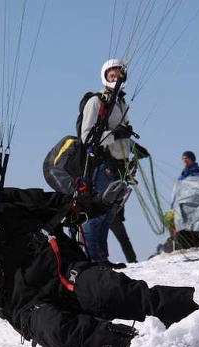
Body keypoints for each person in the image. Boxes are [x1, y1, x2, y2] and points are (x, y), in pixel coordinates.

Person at [0, 147, 199, 347]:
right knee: (60, 331)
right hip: (27, 305)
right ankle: (140, 346)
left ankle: (198, 320)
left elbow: (54, 203)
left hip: (64, 273)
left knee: (115, 291)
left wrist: (98, 202)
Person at [79, 58, 136, 269]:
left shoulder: (120, 102)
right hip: (103, 166)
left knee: (108, 215)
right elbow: (86, 138)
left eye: (119, 74)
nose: (116, 77)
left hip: (119, 165)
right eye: (112, 74)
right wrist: (115, 134)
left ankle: (102, 258)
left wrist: (133, 151)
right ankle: (93, 259)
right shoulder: (96, 102)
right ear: (105, 76)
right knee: (96, 213)